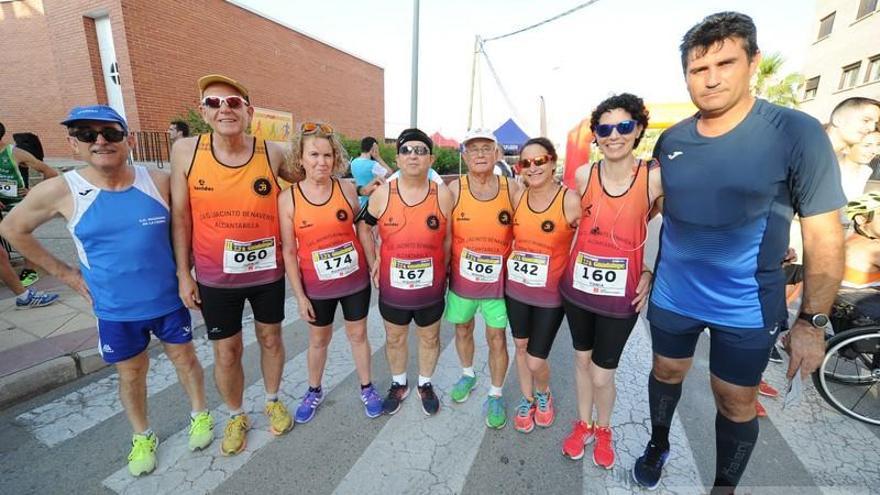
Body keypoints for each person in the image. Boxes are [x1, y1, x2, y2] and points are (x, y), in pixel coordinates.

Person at [632, 13, 845, 493]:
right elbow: (660, 206)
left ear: (752, 62)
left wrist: (811, 322)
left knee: (733, 399)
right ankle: (658, 442)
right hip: (673, 292)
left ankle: (723, 487)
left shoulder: (795, 132)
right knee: (665, 370)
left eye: (725, 63)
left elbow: (825, 234)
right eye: (696, 69)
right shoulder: (672, 140)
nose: (710, 79)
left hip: (745, 303)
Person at [0, 105, 213, 476]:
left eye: (110, 133)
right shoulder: (63, 190)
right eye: (86, 134)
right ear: (73, 143)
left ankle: (199, 415)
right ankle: (142, 436)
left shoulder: (158, 181)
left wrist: (186, 271)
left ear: (129, 139)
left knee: (186, 360)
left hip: (167, 300)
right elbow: (12, 229)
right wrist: (66, 275)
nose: (100, 141)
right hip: (114, 309)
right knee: (131, 374)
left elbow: (188, 223)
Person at [170, 74, 293, 456]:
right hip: (214, 276)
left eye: (234, 102)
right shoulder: (186, 151)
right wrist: (182, 273)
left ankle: (272, 399)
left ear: (249, 112)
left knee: (271, 338)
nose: (224, 108)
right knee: (227, 351)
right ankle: (236, 414)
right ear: (204, 113)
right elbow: (181, 217)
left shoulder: (272, 152)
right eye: (213, 103)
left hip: (267, 272)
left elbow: (308, 185)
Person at [559, 94, 662, 468]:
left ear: (637, 130)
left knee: (603, 374)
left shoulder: (652, 177)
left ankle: (605, 428)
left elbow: (671, 229)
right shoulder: (585, 175)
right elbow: (568, 221)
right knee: (581, 361)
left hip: (621, 298)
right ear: (596, 135)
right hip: (578, 290)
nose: (613, 135)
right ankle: (584, 423)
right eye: (604, 128)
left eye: (623, 126)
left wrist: (650, 269)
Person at [278, 121, 383, 422]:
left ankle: (367, 387)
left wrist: (374, 264)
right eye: (313, 155)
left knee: (358, 334)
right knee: (318, 340)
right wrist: (299, 296)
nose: (321, 162)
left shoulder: (347, 189)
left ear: (335, 158)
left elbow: (363, 229)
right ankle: (314, 390)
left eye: (327, 155)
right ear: (300, 158)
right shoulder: (288, 199)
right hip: (316, 286)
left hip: (354, 282)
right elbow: (288, 250)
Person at [359, 128, 453, 416]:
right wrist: (373, 259)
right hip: (393, 287)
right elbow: (364, 226)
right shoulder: (383, 194)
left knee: (430, 338)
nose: (414, 155)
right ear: (397, 159)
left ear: (431, 158)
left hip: (431, 287)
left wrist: (445, 269)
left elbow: (448, 237)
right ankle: (399, 384)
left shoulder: (443, 195)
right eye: (407, 150)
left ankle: (425, 383)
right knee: (395, 338)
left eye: (421, 150)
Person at [444, 128, 521, 429]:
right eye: (473, 149)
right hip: (462, 282)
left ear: (497, 154)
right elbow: (445, 236)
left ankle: (496, 392)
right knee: (462, 329)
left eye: (486, 148)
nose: (479, 154)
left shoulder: (511, 188)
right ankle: (468, 374)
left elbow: (529, 225)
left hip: (498, 285)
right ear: (464, 155)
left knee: (497, 338)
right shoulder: (453, 189)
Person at [506, 137, 580, 433]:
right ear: (519, 167)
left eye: (540, 161)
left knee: (537, 360)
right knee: (521, 347)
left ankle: (543, 393)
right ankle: (527, 398)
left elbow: (595, 240)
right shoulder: (517, 197)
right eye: (526, 163)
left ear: (553, 162)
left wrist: (645, 269)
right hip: (516, 290)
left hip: (550, 296)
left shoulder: (570, 200)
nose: (533, 168)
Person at [0, 121, 60, 287]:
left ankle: (30, 270)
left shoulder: (15, 153)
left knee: (21, 234)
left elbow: (50, 172)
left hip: (17, 202)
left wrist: (34, 191)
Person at [351, 136, 392, 207]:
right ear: (373, 148)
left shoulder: (353, 162)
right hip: (371, 201)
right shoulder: (373, 165)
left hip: (358, 199)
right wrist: (378, 157)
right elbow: (389, 173)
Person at [840, 131, 880, 200]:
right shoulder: (834, 174)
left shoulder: (866, 171)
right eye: (867, 146)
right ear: (846, 148)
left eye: (878, 145)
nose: (875, 151)